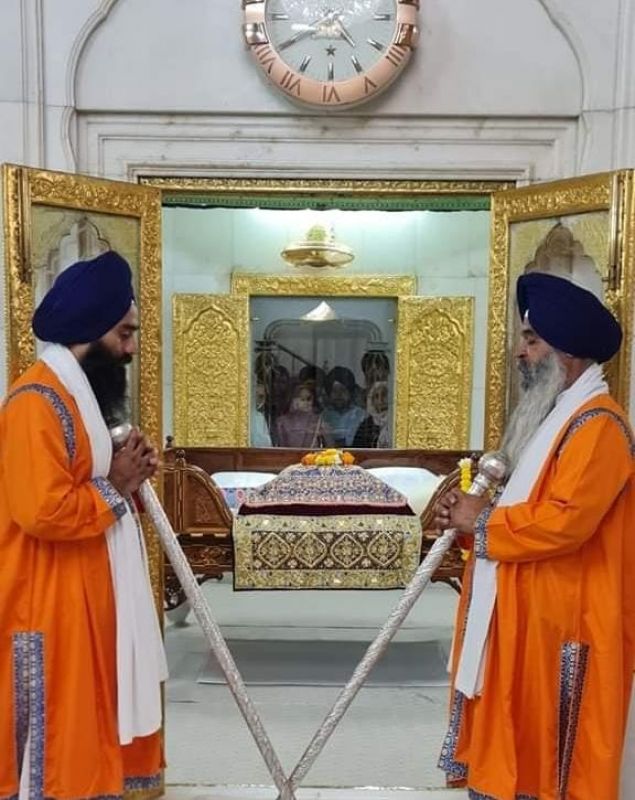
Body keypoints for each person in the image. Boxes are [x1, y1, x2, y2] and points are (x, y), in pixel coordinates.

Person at [434, 271, 635, 800]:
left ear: (565, 352)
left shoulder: (598, 426)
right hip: (526, 614)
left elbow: (565, 521)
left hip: (565, 623)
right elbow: (520, 509)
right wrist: (467, 520)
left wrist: (481, 521)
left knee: (552, 764)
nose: (520, 352)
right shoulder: (554, 419)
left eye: (532, 340)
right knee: (515, 753)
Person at [0, 251, 168, 800]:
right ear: (92, 332)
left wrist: (128, 469)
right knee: (55, 742)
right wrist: (116, 483)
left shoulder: (75, 397)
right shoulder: (35, 403)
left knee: (91, 724)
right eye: (125, 333)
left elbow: (88, 482)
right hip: (45, 603)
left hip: (87, 594)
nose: (131, 348)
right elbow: (42, 510)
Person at [321, 366, 366, 447]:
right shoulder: (323, 416)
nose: (339, 395)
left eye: (343, 390)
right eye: (335, 391)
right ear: (329, 393)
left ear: (350, 392)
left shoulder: (361, 416)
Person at [274, 382, 328, 448]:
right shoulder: (281, 422)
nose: (306, 402)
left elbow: (330, 446)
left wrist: (324, 431)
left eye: (309, 399)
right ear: (293, 400)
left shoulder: (318, 421)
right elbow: (280, 448)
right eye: (302, 399)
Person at [352, 380, 391, 448]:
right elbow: (356, 449)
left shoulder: (396, 420)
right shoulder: (366, 425)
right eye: (376, 396)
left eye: (384, 395)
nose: (380, 400)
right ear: (372, 400)